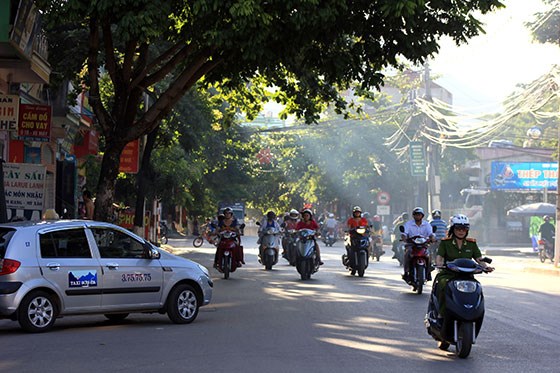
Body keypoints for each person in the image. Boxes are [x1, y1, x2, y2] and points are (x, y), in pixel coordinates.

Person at [432, 214, 494, 322]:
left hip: (467, 276)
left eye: (464, 229)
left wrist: (486, 267)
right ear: (452, 229)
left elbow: (479, 259)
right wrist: (440, 264)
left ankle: (476, 314)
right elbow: (439, 258)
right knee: (442, 284)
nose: (461, 231)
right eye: (458, 229)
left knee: (477, 289)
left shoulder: (471, 244)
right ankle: (441, 313)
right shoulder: (445, 243)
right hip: (449, 274)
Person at [401, 207, 435, 281]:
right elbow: (404, 233)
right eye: (416, 215)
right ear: (413, 216)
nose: (417, 216)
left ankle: (428, 272)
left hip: (423, 244)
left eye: (419, 215)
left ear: (422, 216)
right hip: (411, 244)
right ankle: (406, 272)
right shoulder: (408, 224)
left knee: (429, 254)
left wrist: (432, 238)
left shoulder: (427, 224)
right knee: (408, 253)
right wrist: (404, 237)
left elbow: (431, 233)